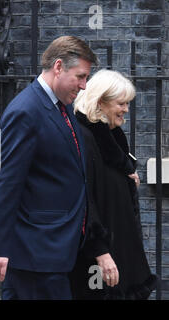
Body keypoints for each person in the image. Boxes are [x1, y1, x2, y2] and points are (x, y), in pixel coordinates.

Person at [0, 36, 97, 300]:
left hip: (54, 249)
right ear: (58, 66)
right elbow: (5, 182)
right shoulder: (25, 111)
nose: (83, 85)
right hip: (36, 252)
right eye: (80, 76)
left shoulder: (62, 107)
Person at [70, 69, 158, 299]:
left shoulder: (112, 137)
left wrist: (128, 184)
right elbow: (87, 201)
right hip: (98, 259)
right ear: (100, 102)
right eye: (121, 103)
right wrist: (101, 251)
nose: (126, 110)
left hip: (120, 250)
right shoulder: (85, 139)